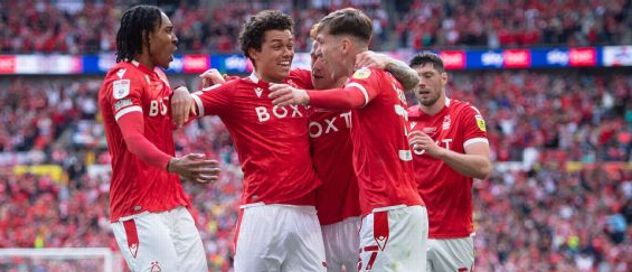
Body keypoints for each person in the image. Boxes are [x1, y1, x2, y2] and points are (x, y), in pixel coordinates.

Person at [268, 8, 427, 272]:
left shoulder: (368, 75)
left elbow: (353, 98)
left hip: (386, 206)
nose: (319, 54)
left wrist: (303, 97)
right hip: (400, 206)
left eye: (322, 45)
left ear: (344, 46)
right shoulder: (388, 78)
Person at [174, 10, 327, 272]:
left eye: (290, 46)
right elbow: (185, 105)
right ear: (254, 52)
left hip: (306, 214)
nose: (287, 53)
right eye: (277, 46)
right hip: (262, 213)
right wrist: (179, 89)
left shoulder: (301, 81)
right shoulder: (234, 93)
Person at [98, 5, 220, 272]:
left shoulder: (159, 78)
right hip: (138, 208)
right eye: (168, 31)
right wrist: (175, 164)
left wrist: (186, 91)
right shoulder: (122, 78)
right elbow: (133, 139)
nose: (175, 39)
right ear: (146, 37)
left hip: (173, 203)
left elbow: (175, 117)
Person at [406, 52, 492, 272]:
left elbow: (483, 168)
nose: (422, 83)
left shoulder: (465, 114)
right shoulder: (403, 119)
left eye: (428, 75)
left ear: (443, 78)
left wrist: (439, 152)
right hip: (411, 232)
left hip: (454, 234)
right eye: (416, 78)